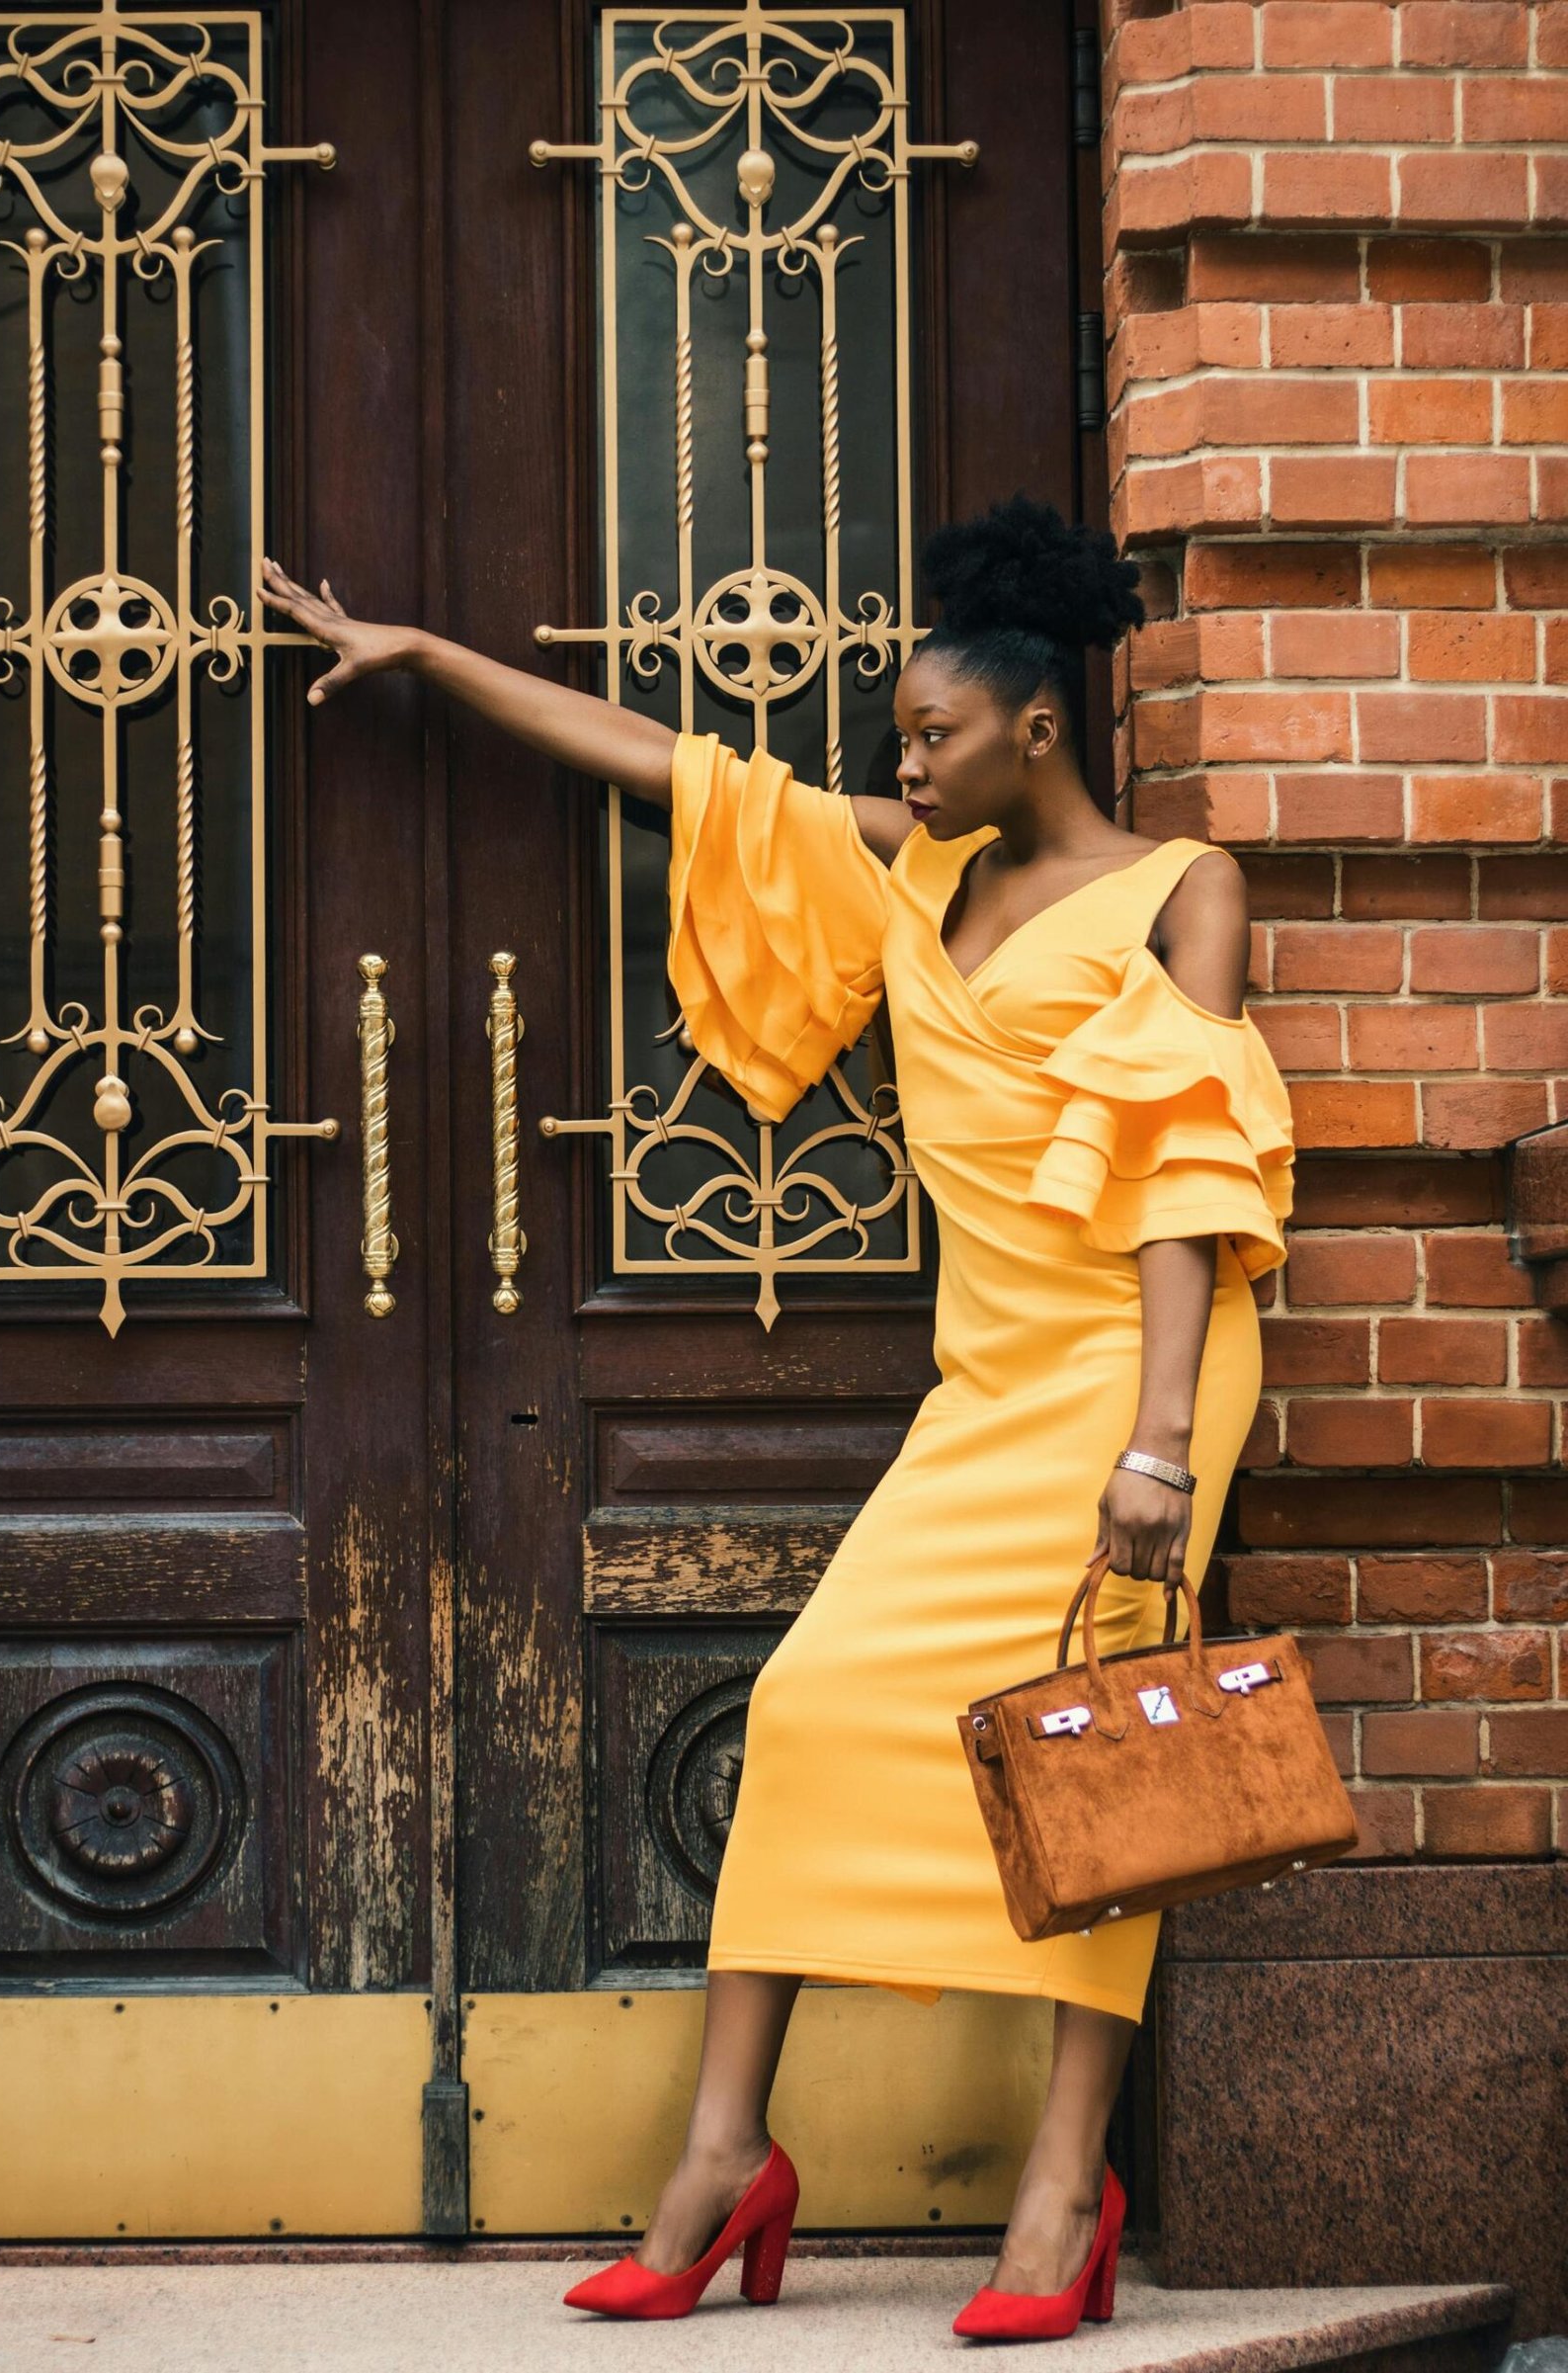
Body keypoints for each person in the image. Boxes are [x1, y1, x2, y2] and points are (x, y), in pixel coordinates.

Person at [257, 492, 1295, 2342]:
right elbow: (676, 770)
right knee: (816, 1707)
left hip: (1133, 1373)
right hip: (988, 1381)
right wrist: (426, 658)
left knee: (1103, 1753)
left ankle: (1066, 2186)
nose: (901, 758)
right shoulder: (914, 870)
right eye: (902, 740)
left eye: (929, 733)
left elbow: (1185, 1175)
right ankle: (726, 2156)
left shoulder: (1180, 888)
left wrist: (1156, 1444)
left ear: (1033, 729)